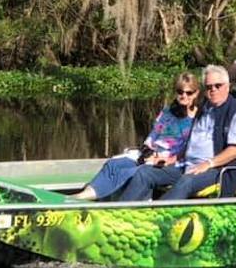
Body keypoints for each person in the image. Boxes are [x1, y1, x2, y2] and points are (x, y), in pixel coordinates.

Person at [117, 65, 236, 201]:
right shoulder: (204, 108)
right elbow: (192, 141)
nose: (213, 90)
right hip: (186, 165)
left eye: (218, 85)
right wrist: (174, 158)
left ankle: (157, 217)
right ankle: (121, 212)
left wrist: (208, 164)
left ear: (228, 86)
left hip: (216, 170)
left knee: (186, 181)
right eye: (208, 87)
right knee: (145, 173)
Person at [70, 72, 200, 200]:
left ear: (196, 93)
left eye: (189, 93)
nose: (184, 96)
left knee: (131, 173)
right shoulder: (167, 111)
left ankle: (92, 199)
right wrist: (146, 149)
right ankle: (83, 195)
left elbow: (188, 148)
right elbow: (155, 133)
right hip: (151, 152)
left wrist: (164, 158)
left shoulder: (197, 119)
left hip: (169, 159)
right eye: (180, 92)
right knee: (114, 164)